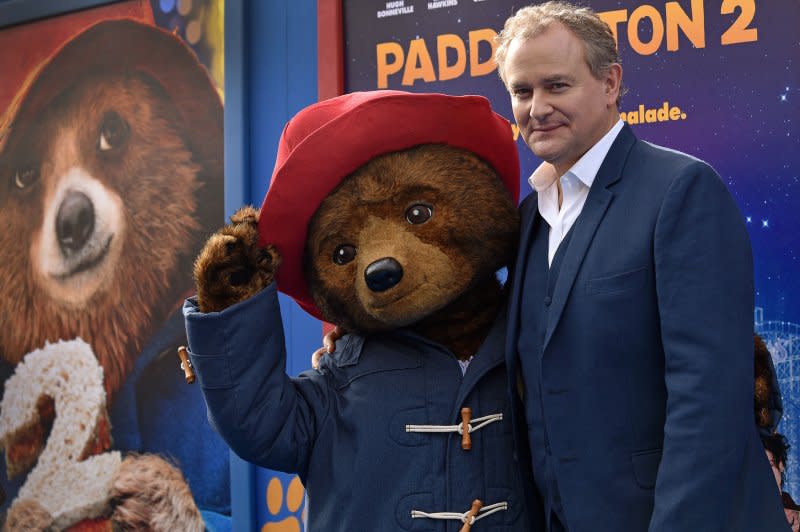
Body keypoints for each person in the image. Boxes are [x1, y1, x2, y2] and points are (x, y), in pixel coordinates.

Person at [493, 1, 787, 530]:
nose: (536, 108)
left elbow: (708, 403)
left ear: (610, 84)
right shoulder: (528, 219)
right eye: (521, 91)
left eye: (556, 86)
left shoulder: (681, 190)